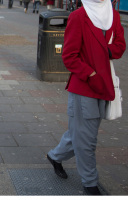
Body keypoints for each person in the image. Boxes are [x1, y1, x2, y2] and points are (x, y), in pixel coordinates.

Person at [46, 0, 126, 195]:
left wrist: (106, 51)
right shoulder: (78, 16)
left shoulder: (113, 15)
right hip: (84, 86)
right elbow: (69, 56)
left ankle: (55, 156)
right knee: (87, 139)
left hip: (105, 84)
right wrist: (90, 74)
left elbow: (120, 45)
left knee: (80, 133)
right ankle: (90, 183)